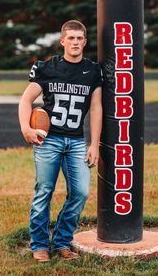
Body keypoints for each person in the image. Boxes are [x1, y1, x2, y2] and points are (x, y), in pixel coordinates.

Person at [19, 20, 103, 262]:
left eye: (80, 39)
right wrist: (26, 127)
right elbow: (26, 101)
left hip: (76, 141)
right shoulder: (47, 68)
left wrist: (94, 144)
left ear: (85, 42)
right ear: (63, 41)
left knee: (80, 192)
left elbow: (96, 108)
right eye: (71, 38)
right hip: (49, 140)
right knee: (44, 191)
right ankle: (39, 245)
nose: (75, 42)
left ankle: (62, 241)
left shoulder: (92, 71)